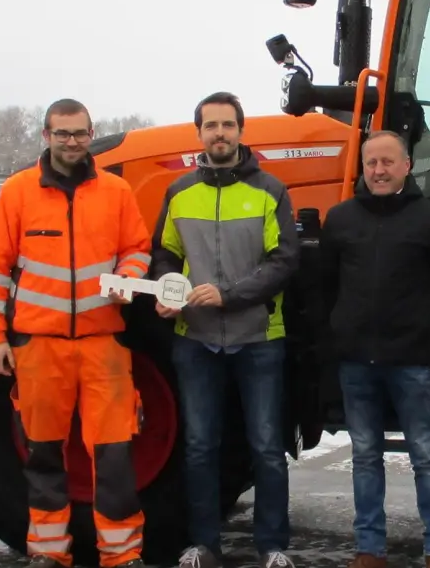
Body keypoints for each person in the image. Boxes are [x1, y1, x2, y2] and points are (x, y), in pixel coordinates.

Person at [0, 99, 153, 568]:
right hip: (39, 347)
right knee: (43, 455)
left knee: (114, 455)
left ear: (90, 134)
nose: (71, 142)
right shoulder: (18, 193)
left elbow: (138, 248)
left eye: (79, 133)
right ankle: (49, 553)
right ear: (46, 135)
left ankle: (121, 554)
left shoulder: (116, 192)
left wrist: (129, 277)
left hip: (104, 345)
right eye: (62, 133)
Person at [149, 91, 301, 568]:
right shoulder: (178, 192)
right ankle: (203, 545)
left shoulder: (269, 190)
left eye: (228, 125)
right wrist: (167, 289)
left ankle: (273, 547)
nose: (219, 133)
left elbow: (284, 260)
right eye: (210, 126)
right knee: (199, 446)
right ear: (198, 134)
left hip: (258, 337)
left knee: (266, 446)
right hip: (195, 340)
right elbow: (165, 252)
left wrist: (228, 294)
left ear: (240, 132)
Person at [318, 130, 430, 568]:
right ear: (363, 168)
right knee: (364, 456)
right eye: (371, 164)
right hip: (356, 360)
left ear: (407, 166)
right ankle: (369, 548)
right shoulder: (341, 219)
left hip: (413, 361)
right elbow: (325, 287)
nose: (379, 171)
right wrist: (336, 338)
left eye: (387, 162)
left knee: (426, 456)